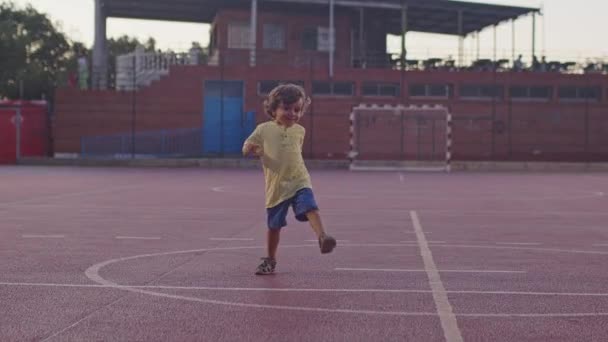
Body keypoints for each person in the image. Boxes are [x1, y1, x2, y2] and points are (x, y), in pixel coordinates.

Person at [242, 84, 337, 275]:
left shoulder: (299, 131)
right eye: (286, 109)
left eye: (297, 110)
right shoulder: (263, 129)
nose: (292, 113)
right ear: (273, 109)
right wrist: (254, 150)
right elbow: (246, 148)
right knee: (274, 227)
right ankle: (270, 259)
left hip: (299, 180)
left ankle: (322, 236)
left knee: (311, 207)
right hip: (277, 187)